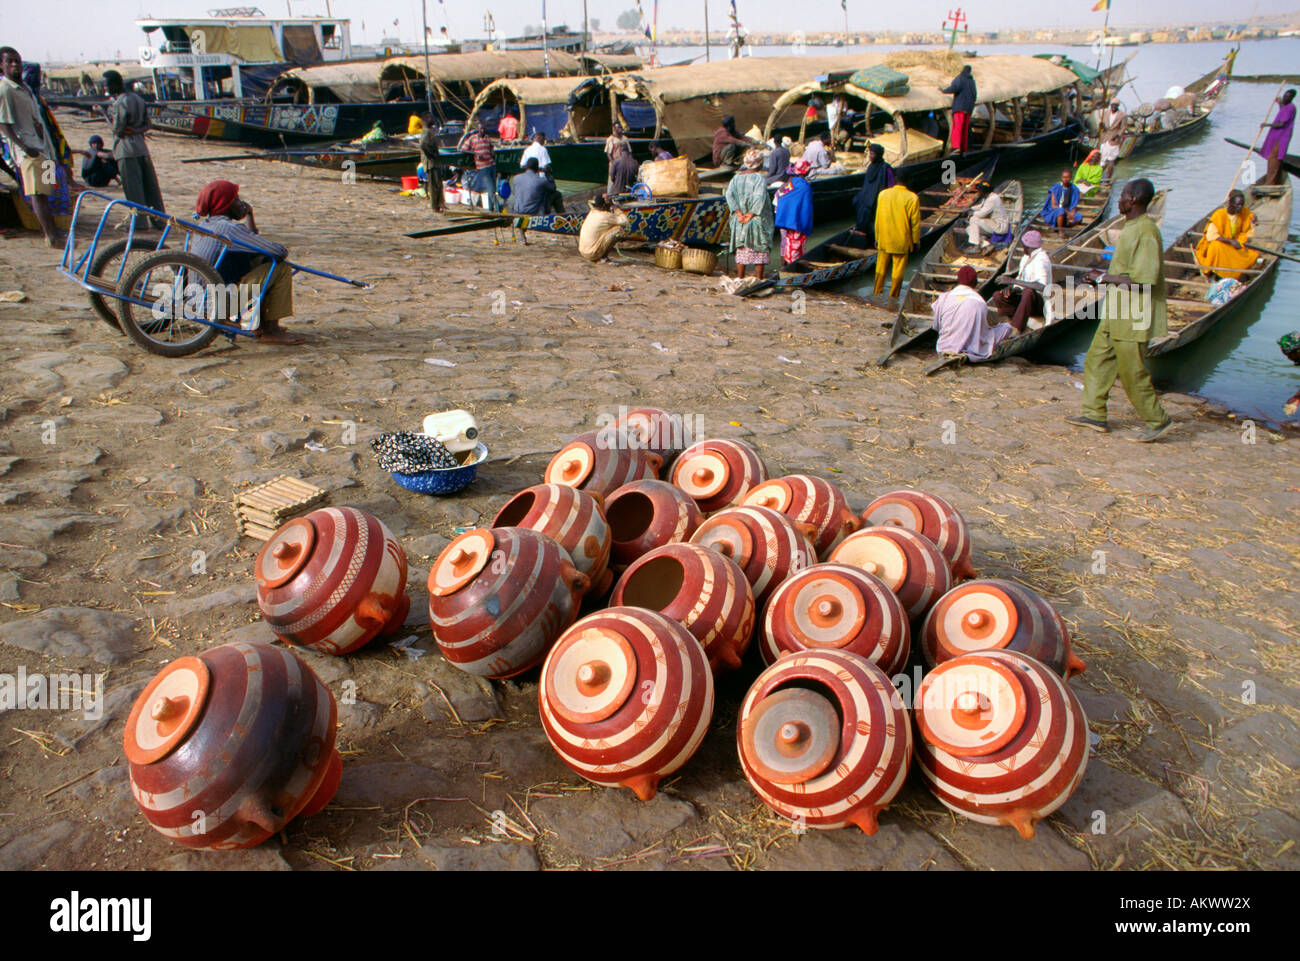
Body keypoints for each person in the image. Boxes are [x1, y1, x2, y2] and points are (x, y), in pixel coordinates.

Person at [1068, 177, 1172, 442]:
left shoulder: (1146, 231)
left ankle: (1157, 420)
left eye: (1123, 195)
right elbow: (1124, 271)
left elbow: (1145, 281)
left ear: (1134, 199)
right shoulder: (1130, 227)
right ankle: (1094, 414)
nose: (1119, 199)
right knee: (1096, 360)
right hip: (1115, 312)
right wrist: (1103, 275)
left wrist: (1104, 278)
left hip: (1132, 315)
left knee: (1131, 371)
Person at [190, 180, 301, 346]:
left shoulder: (206, 225)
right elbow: (278, 252)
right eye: (236, 199)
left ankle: (261, 323)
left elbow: (250, 243)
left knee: (258, 261)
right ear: (225, 204)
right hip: (214, 304)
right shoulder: (229, 228)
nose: (241, 203)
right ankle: (270, 330)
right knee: (280, 268)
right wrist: (248, 215)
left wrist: (249, 214)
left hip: (197, 299)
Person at [0, 47, 60, 245]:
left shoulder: (25, 88)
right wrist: (24, 147)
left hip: (44, 147)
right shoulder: (5, 89)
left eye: (17, 61)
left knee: (48, 189)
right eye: (9, 61)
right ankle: (50, 235)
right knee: (37, 193)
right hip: (29, 150)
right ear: (2, 65)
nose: (15, 65)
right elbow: (4, 124)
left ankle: (52, 229)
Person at [103, 68, 165, 229]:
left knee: (133, 189)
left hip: (125, 149)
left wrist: (102, 113)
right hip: (141, 146)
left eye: (106, 85)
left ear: (115, 85)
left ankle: (139, 223)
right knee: (151, 188)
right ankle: (160, 221)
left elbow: (117, 129)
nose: (105, 89)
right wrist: (137, 131)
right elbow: (148, 124)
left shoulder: (119, 103)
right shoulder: (138, 99)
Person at [933, 265, 1015, 359]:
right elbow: (982, 331)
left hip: (943, 346)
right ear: (975, 283)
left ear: (958, 280)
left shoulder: (943, 298)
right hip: (972, 348)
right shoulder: (979, 302)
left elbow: (937, 326)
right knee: (1007, 327)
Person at [725, 149, 775, 281]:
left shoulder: (736, 178)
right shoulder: (759, 178)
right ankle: (758, 279)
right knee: (760, 248)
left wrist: (738, 212)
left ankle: (740, 278)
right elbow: (760, 196)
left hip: (739, 219)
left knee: (741, 247)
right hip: (756, 218)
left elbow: (729, 195)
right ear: (759, 164)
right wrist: (751, 214)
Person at [992, 230, 1053, 332]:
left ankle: (1016, 328)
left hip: (1039, 303)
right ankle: (1010, 320)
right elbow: (1021, 281)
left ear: (1029, 247)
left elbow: (1042, 286)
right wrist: (1013, 289)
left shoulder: (1041, 260)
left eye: (1023, 245)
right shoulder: (1025, 258)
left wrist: (1012, 281)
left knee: (1028, 292)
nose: (1022, 247)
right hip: (1025, 300)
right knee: (998, 295)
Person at [1194, 189, 1258, 280]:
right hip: (1221, 244)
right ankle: (1214, 272)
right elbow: (1210, 236)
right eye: (1237, 205)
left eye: (1241, 205)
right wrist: (1230, 241)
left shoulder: (1244, 212)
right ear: (1230, 203)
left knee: (1252, 255)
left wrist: (1255, 218)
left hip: (1233, 245)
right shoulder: (1219, 215)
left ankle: (1232, 272)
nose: (1240, 208)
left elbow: (1250, 220)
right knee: (1216, 246)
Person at [874, 180, 921, 298]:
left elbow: (878, 218)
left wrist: (877, 237)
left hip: (884, 239)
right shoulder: (912, 197)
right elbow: (915, 224)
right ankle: (893, 297)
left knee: (880, 268)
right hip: (902, 241)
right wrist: (916, 241)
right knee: (897, 271)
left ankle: (876, 293)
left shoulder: (883, 194)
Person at [850, 143, 895, 249]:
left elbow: (891, 186)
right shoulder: (870, 167)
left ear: (878, 155)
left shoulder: (886, 169)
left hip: (879, 200)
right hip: (866, 200)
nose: (870, 156)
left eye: (873, 154)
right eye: (870, 153)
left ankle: (877, 241)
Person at [774, 158, 813, 265]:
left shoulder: (789, 184)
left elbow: (780, 197)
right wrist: (806, 225)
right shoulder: (805, 186)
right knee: (797, 246)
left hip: (785, 220)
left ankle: (785, 265)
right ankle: (793, 266)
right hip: (797, 222)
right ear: (806, 171)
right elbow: (806, 208)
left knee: (786, 244)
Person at [578, 192, 629, 262]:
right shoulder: (606, 216)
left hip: (583, 251)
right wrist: (615, 208)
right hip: (591, 253)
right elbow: (625, 221)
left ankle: (600, 257)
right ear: (605, 204)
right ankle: (603, 258)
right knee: (618, 230)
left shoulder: (592, 212)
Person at [459, 121, 498, 211]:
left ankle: (490, 208)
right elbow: (463, 149)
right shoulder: (472, 139)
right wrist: (475, 153)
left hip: (492, 164)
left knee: (492, 188)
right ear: (478, 129)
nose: (483, 130)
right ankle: (497, 209)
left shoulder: (487, 138)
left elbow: (491, 147)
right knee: (490, 188)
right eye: (481, 129)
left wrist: (492, 153)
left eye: (484, 129)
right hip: (482, 166)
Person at [1260, 89, 1296, 186]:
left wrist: (1267, 125)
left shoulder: (1290, 108)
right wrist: (1279, 104)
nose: (1285, 97)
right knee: (1274, 158)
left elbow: (1281, 124)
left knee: (1274, 159)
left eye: (1287, 96)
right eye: (1284, 95)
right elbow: (1283, 113)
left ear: (1292, 98)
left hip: (1281, 137)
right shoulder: (1286, 107)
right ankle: (1274, 181)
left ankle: (1271, 183)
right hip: (1277, 136)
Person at [941, 65, 977, 154]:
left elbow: (955, 88)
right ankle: (964, 147)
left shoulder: (960, 78)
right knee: (965, 128)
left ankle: (956, 147)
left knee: (957, 127)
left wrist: (943, 91)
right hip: (969, 108)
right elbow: (975, 95)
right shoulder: (972, 81)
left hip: (960, 106)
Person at [966, 180, 1008, 249]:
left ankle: (976, 246)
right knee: (969, 229)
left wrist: (971, 214)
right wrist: (970, 209)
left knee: (973, 219)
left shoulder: (992, 199)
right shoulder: (987, 197)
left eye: (979, 191)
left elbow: (981, 214)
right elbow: (982, 206)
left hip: (999, 226)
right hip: (993, 224)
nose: (978, 192)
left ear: (983, 191)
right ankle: (986, 244)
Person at [419, 114, 445, 213]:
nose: (433, 120)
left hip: (434, 162)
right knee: (434, 185)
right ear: (427, 120)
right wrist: (431, 155)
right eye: (431, 119)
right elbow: (423, 145)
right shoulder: (426, 132)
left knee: (438, 184)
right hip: (431, 163)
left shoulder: (429, 131)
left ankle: (440, 203)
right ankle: (435, 206)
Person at [1099, 101, 1127, 179]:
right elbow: (1104, 127)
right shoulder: (1106, 113)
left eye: (1115, 105)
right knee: (1102, 160)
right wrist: (1101, 126)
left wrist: (1118, 135)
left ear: (1118, 106)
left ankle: (1108, 178)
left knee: (1111, 160)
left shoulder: (1122, 115)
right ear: (1110, 105)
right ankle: (1098, 176)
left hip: (1114, 139)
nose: (1113, 106)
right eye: (1112, 105)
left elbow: (1123, 127)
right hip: (1105, 138)